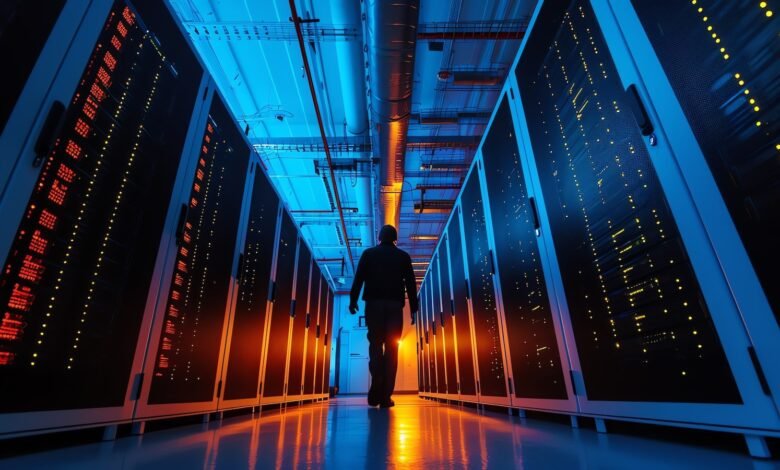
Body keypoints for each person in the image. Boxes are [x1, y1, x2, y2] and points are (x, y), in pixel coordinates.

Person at [349, 224, 417, 408]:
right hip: (395, 307)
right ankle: (386, 396)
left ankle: (376, 380)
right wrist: (414, 309)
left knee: (375, 345)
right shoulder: (403, 256)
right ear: (395, 238)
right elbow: (411, 284)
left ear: (379, 237)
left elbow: (358, 279)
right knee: (392, 349)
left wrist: (353, 301)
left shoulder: (368, 254)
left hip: (373, 305)